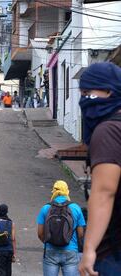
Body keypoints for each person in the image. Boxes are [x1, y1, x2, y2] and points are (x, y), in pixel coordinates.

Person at [76, 62, 121, 276]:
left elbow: (104, 192)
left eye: (87, 92)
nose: (83, 100)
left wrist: (89, 249)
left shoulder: (108, 131)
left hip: (112, 254)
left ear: (109, 91)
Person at [37, 180, 85, 276]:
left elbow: (40, 233)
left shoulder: (45, 208)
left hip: (51, 250)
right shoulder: (75, 208)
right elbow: (81, 234)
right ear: (67, 191)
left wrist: (50, 241)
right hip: (71, 251)